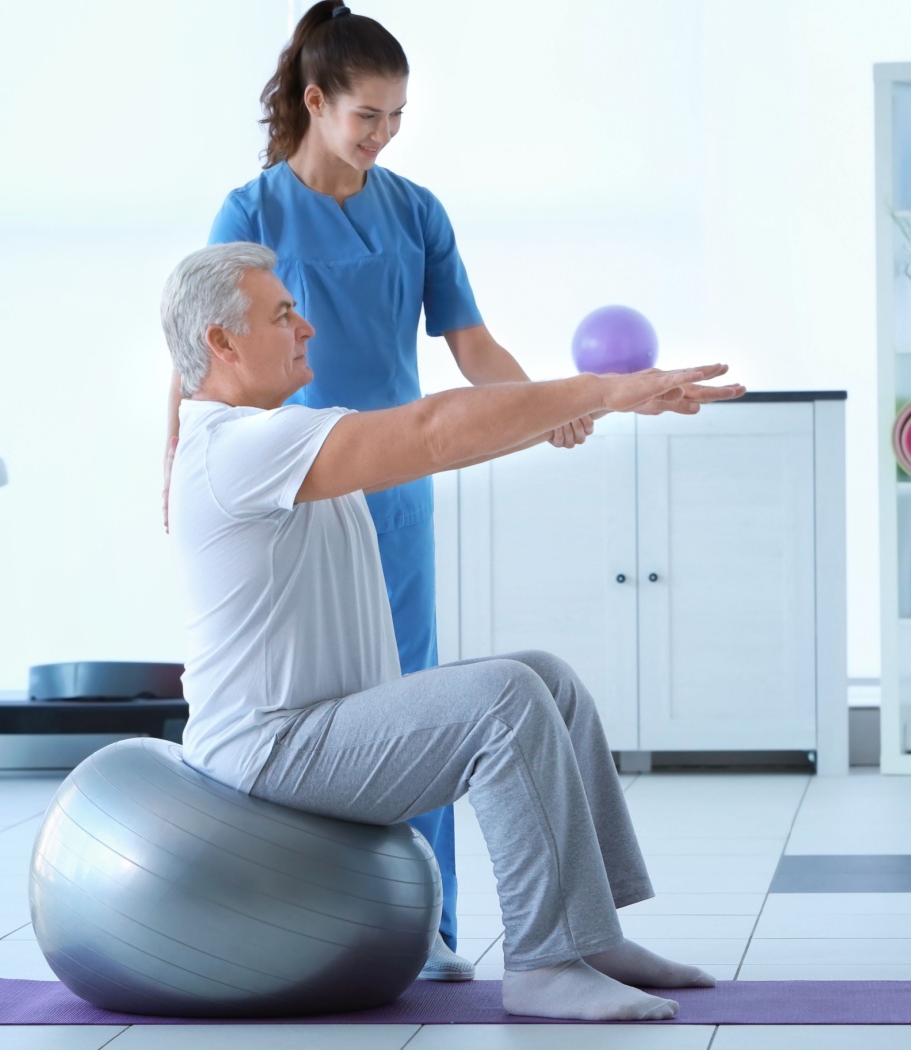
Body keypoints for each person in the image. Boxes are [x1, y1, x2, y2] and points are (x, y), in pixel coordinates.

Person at [161, 241, 743, 1020]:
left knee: (546, 679)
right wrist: (604, 387)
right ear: (222, 342)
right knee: (503, 698)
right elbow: (434, 429)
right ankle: (543, 963)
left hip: (321, 727)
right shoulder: (234, 449)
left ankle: (593, 936)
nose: (306, 329)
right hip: (269, 749)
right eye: (283, 314)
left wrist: (592, 405)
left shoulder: (275, 438)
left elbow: (447, 446)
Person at [162, 0, 594, 979]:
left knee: (418, 702)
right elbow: (197, 349)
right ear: (315, 103)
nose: (381, 135)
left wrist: (539, 405)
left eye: (396, 117)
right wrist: (173, 470)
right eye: (366, 115)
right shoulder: (254, 212)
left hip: (395, 486)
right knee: (322, 707)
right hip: (292, 484)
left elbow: (470, 343)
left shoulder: (415, 210)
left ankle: (429, 929)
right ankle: (316, 912)